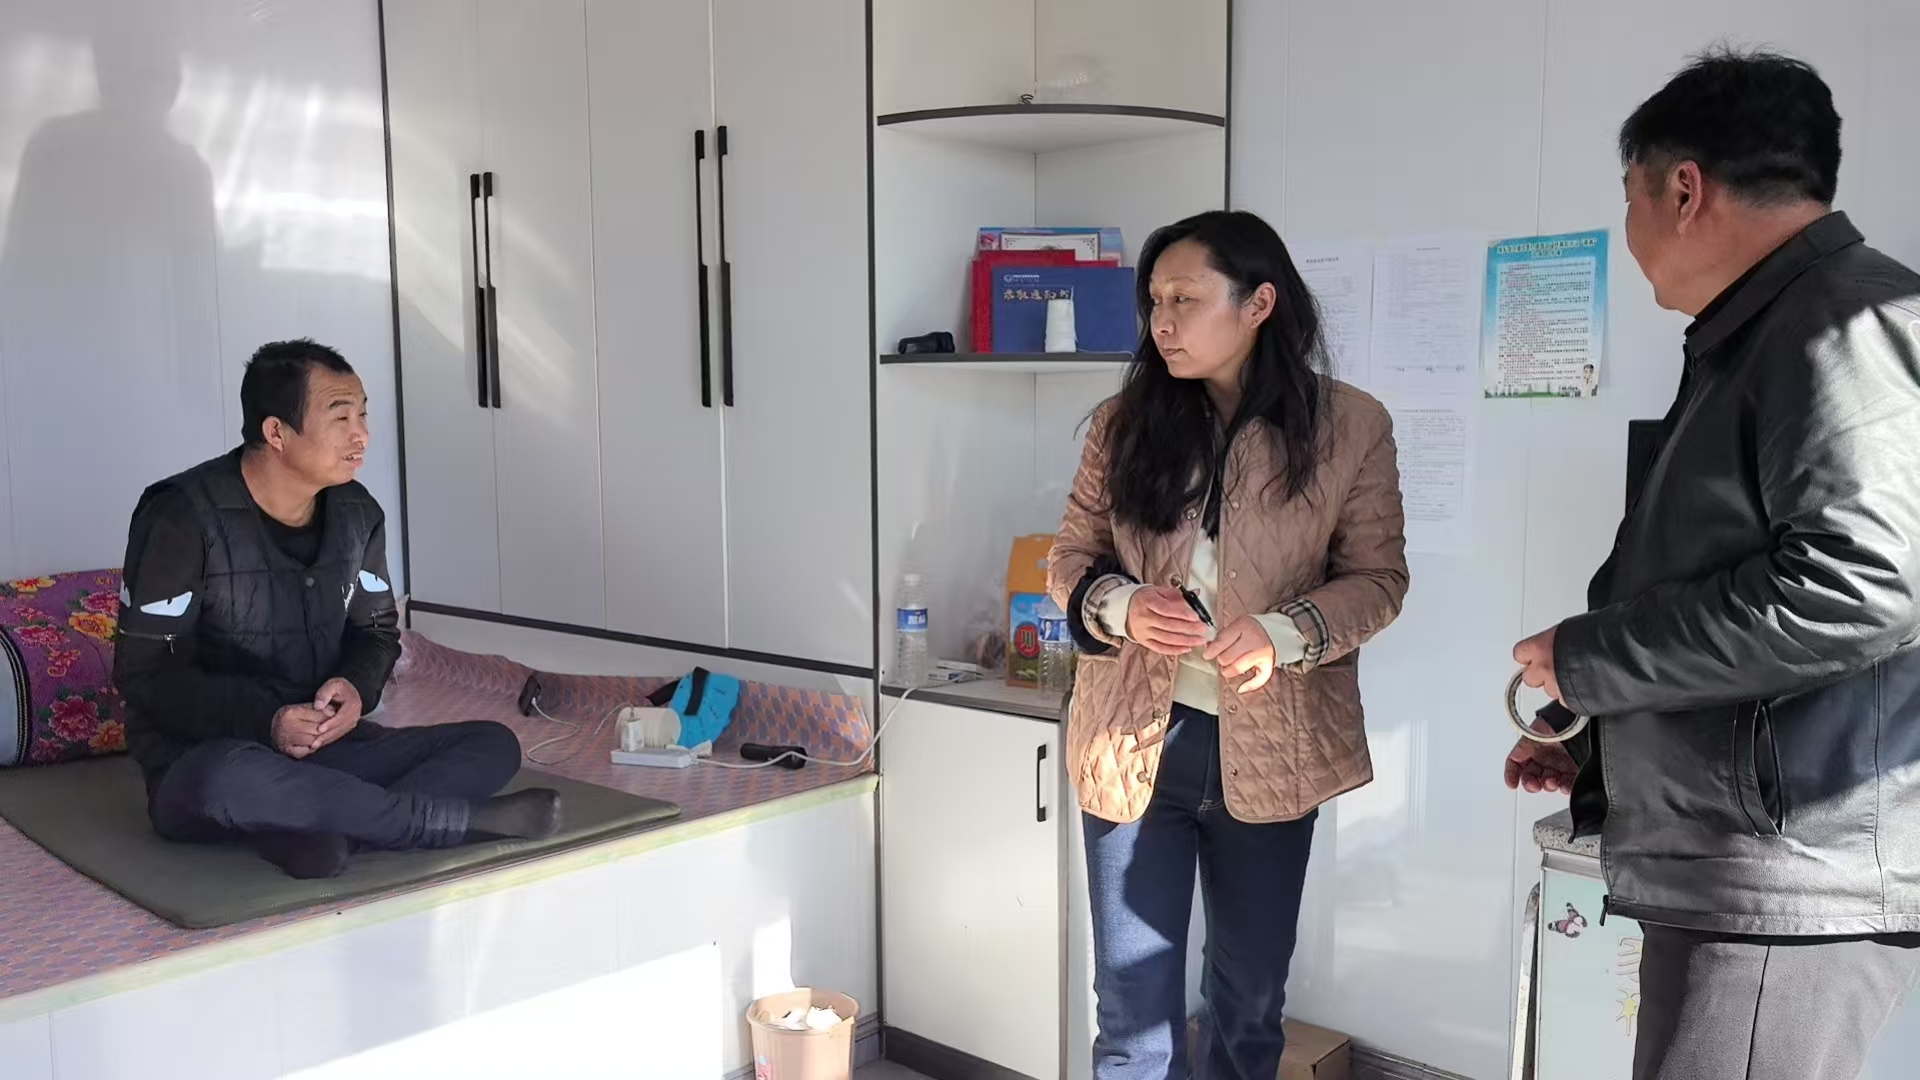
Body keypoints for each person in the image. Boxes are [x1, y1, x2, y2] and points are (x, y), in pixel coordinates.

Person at [1505, 49, 1920, 1080]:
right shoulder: (1773, 329)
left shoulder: (1840, 324)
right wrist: (1606, 741)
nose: (1630, 228)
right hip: (1756, 861)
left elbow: (1858, 587)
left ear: (1684, 189)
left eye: (1630, 196)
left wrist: (1592, 659)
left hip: (1786, 876)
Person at [1050, 210, 1409, 1079]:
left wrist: (1285, 634)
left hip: (1276, 748)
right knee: (1132, 1016)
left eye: (1184, 299)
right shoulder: (1123, 423)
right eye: (1154, 302)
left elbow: (1378, 580)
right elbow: (1069, 558)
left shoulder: (1351, 426)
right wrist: (1120, 605)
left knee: (1248, 1010)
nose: (1161, 323)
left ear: (1258, 304)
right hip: (1133, 739)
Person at [116, 340, 562, 880]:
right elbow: (145, 673)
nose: (362, 435)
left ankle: (324, 831)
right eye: (340, 417)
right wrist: (268, 723)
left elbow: (376, 631)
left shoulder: (358, 513)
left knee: (492, 743)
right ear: (277, 432)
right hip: (206, 761)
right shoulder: (180, 516)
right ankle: (432, 823)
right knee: (228, 779)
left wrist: (356, 687)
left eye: (363, 415)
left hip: (328, 750)